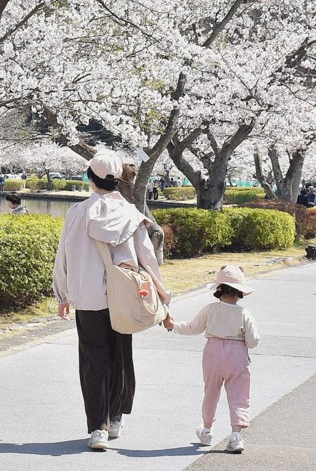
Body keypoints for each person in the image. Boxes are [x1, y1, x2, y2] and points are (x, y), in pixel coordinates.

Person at [53, 151, 171, 451]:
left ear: (90, 178)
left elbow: (63, 256)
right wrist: (162, 294)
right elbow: (147, 258)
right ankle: (116, 418)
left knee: (94, 362)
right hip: (125, 297)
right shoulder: (131, 214)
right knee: (120, 357)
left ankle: (98, 428)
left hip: (88, 297)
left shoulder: (78, 213)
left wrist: (63, 294)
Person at [165, 265, 260, 454]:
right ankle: (236, 437)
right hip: (236, 354)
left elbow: (193, 327)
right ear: (240, 293)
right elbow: (253, 341)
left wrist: (172, 325)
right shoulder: (244, 314)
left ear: (218, 290)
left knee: (211, 391)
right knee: (239, 394)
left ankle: (207, 430)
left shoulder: (210, 309)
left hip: (213, 351)